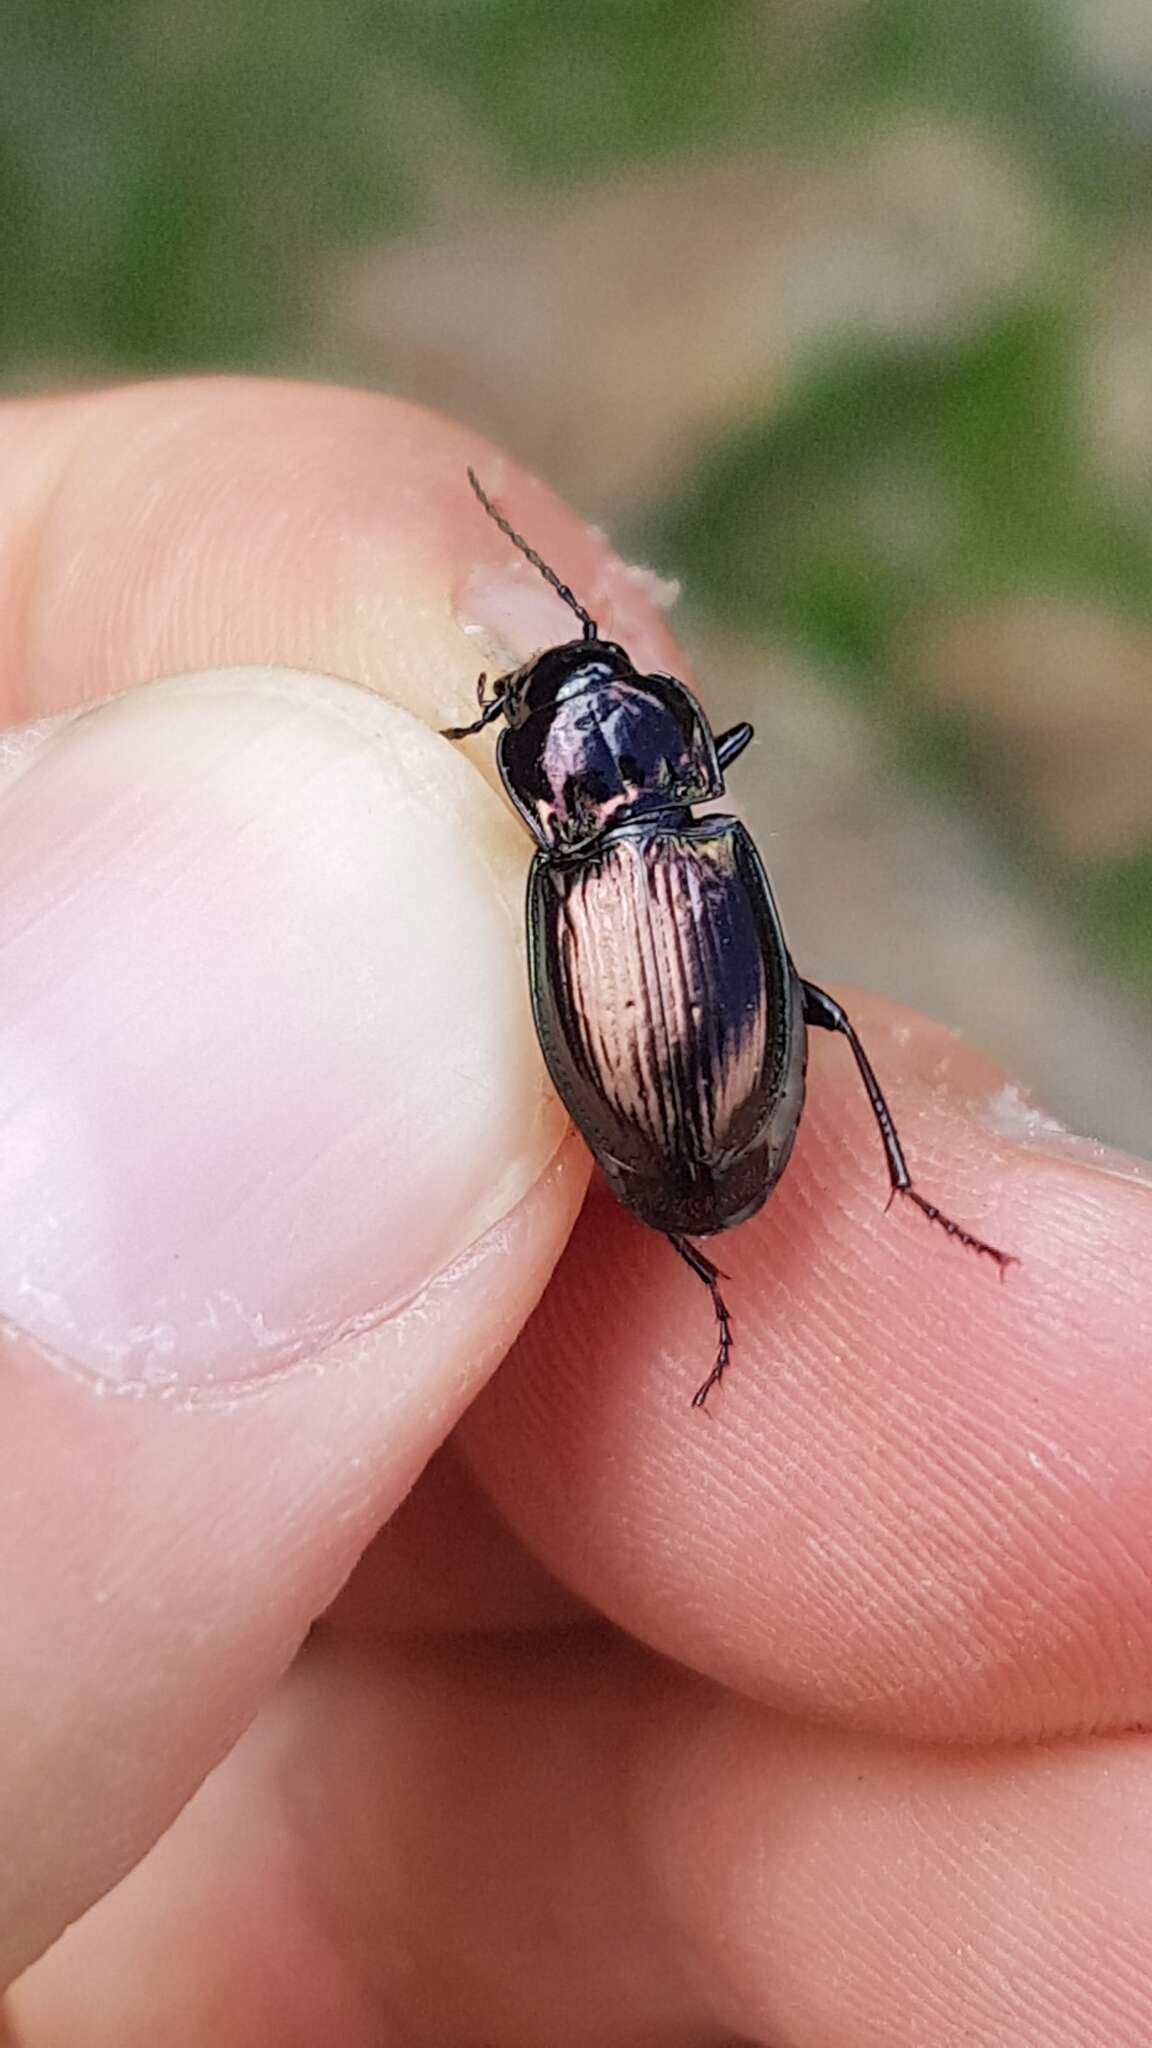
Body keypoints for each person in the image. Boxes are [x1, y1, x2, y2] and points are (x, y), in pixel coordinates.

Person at [3, 378, 1151, 2046]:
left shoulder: (562, 866)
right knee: (788, 1033)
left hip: (664, 1124)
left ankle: (856, 1211)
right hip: (705, 1105)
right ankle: (889, 1199)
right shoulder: (693, 826)